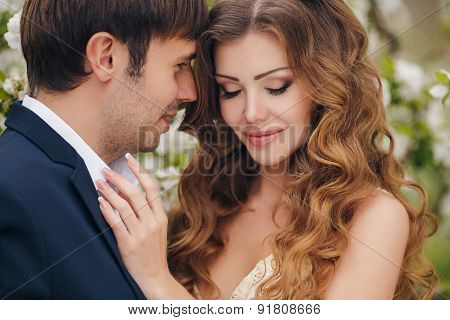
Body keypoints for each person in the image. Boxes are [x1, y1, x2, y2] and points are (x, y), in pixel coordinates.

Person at [98, 0, 439, 300]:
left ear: (324, 84)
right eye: (230, 91)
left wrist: (158, 282)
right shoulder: (209, 201)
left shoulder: (372, 216)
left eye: (276, 87)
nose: (251, 113)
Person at [0, 0, 208, 299]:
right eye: (179, 65)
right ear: (106, 57)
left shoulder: (107, 182)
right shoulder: (10, 200)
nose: (191, 92)